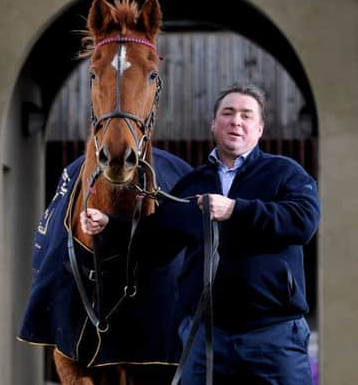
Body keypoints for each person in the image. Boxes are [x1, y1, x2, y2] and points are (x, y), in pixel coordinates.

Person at [81, 83, 320, 384]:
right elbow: (156, 243)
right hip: (206, 339)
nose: (236, 121)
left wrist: (236, 209)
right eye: (228, 113)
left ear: (259, 129)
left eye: (246, 115)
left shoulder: (286, 173)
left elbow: (305, 220)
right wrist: (110, 225)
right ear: (214, 123)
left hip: (274, 336)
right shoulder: (193, 183)